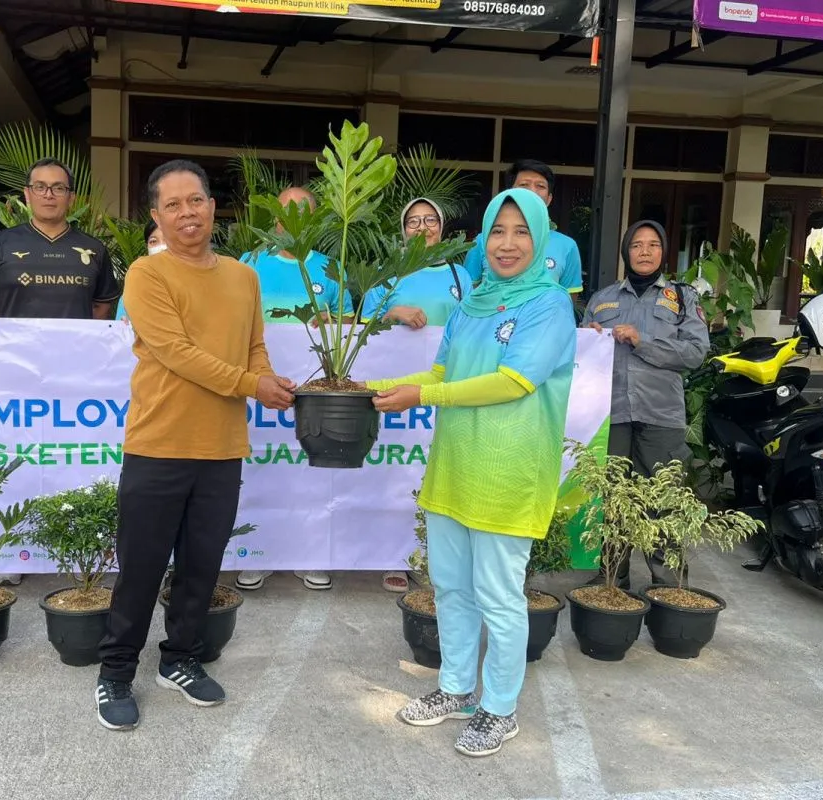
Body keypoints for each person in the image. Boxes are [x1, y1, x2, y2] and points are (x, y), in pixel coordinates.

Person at [364, 188, 576, 758]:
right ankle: (456, 689)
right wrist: (367, 387)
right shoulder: (471, 304)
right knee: (451, 588)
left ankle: (499, 709)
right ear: (483, 238)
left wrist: (422, 396)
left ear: (541, 239)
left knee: (500, 597)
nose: (507, 244)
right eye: (497, 231)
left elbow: (513, 381)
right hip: (454, 465)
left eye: (521, 231)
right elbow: (439, 373)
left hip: (508, 469)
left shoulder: (550, 304)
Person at [95, 159, 296, 732]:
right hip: (159, 443)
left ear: (212, 207)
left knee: (202, 565)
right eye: (173, 205)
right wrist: (251, 385)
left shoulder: (243, 276)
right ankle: (115, 671)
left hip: (222, 446)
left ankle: (179, 659)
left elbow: (254, 347)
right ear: (156, 216)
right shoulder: (146, 274)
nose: (187, 213)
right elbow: (178, 353)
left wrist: (267, 379)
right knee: (141, 566)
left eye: (196, 201)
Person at [0, 157, 120, 586]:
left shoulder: (93, 248)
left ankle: (78, 548)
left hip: (76, 380)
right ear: (27, 195)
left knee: (73, 459)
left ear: (72, 197)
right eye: (41, 187)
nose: (49, 194)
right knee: (14, 462)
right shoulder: (0, 244)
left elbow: (102, 311)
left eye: (58, 188)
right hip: (12, 377)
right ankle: (12, 552)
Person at [235, 185, 352, 593]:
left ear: (314, 218)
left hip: (314, 390)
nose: (293, 219)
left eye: (304, 211)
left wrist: (333, 320)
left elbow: (350, 323)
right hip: (258, 386)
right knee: (260, 471)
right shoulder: (250, 262)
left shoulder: (330, 268)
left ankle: (312, 553)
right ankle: (257, 553)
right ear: (275, 218)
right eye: (286, 211)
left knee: (310, 472)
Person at [582, 220, 709, 588]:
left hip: (661, 414)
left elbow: (695, 352)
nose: (644, 251)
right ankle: (612, 578)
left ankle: (667, 584)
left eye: (653, 244)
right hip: (612, 413)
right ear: (626, 251)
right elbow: (580, 354)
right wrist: (588, 340)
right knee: (613, 496)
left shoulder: (682, 299)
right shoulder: (602, 299)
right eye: (637, 245)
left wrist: (643, 342)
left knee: (662, 498)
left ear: (663, 251)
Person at [361, 196, 474, 593]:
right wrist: (393, 313)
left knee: (439, 470)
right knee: (395, 472)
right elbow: (360, 326)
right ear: (403, 230)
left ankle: (431, 557)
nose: (422, 227)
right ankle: (393, 556)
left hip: (442, 392)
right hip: (398, 391)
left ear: (442, 228)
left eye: (430, 220)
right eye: (413, 221)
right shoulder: (387, 274)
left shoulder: (461, 275)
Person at [462, 160, 583, 299]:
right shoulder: (483, 241)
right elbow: (469, 293)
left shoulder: (567, 246)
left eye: (540, 186)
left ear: (549, 199)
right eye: (524, 185)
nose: (532, 191)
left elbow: (568, 300)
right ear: (510, 193)